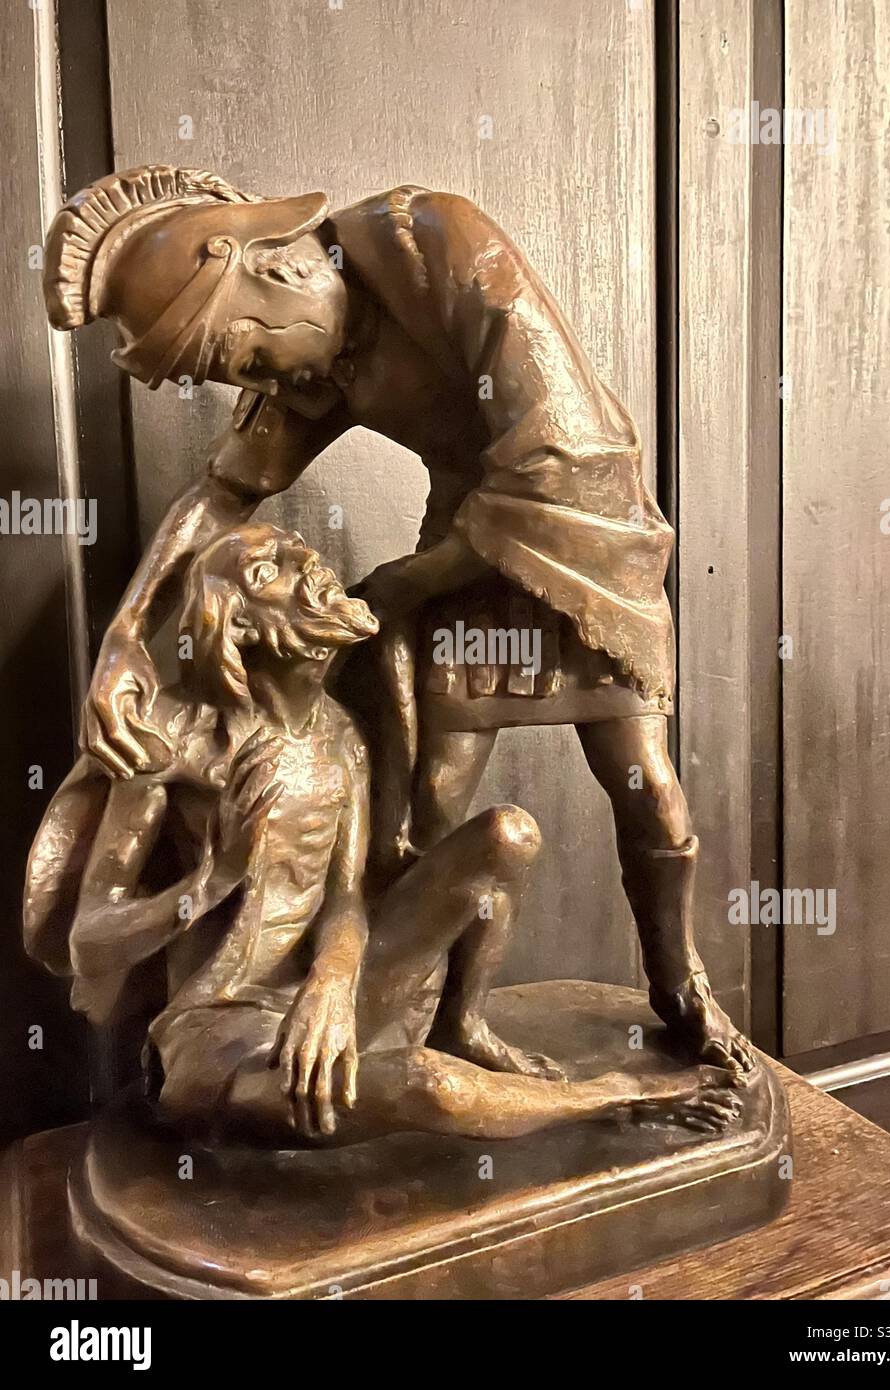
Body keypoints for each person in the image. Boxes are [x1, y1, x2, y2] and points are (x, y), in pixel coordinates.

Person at [42, 164, 753, 1076]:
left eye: (251, 359)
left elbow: (562, 447)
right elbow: (227, 490)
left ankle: (679, 980)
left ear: (279, 269)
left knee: (648, 785)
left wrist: (400, 588)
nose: (268, 385)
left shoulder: (432, 243)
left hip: (585, 538)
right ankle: (429, 1025)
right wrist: (127, 640)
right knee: (422, 810)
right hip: (461, 549)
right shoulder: (316, 356)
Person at [24, 523, 740, 1144]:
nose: (308, 565)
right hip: (222, 1038)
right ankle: (619, 1096)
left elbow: (343, 902)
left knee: (506, 836)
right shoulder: (171, 740)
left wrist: (332, 986)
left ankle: (464, 1023)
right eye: (269, 570)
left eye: (298, 550)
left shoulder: (340, 737)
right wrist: (209, 883)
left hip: (335, 995)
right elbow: (90, 935)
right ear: (232, 624)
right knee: (428, 1087)